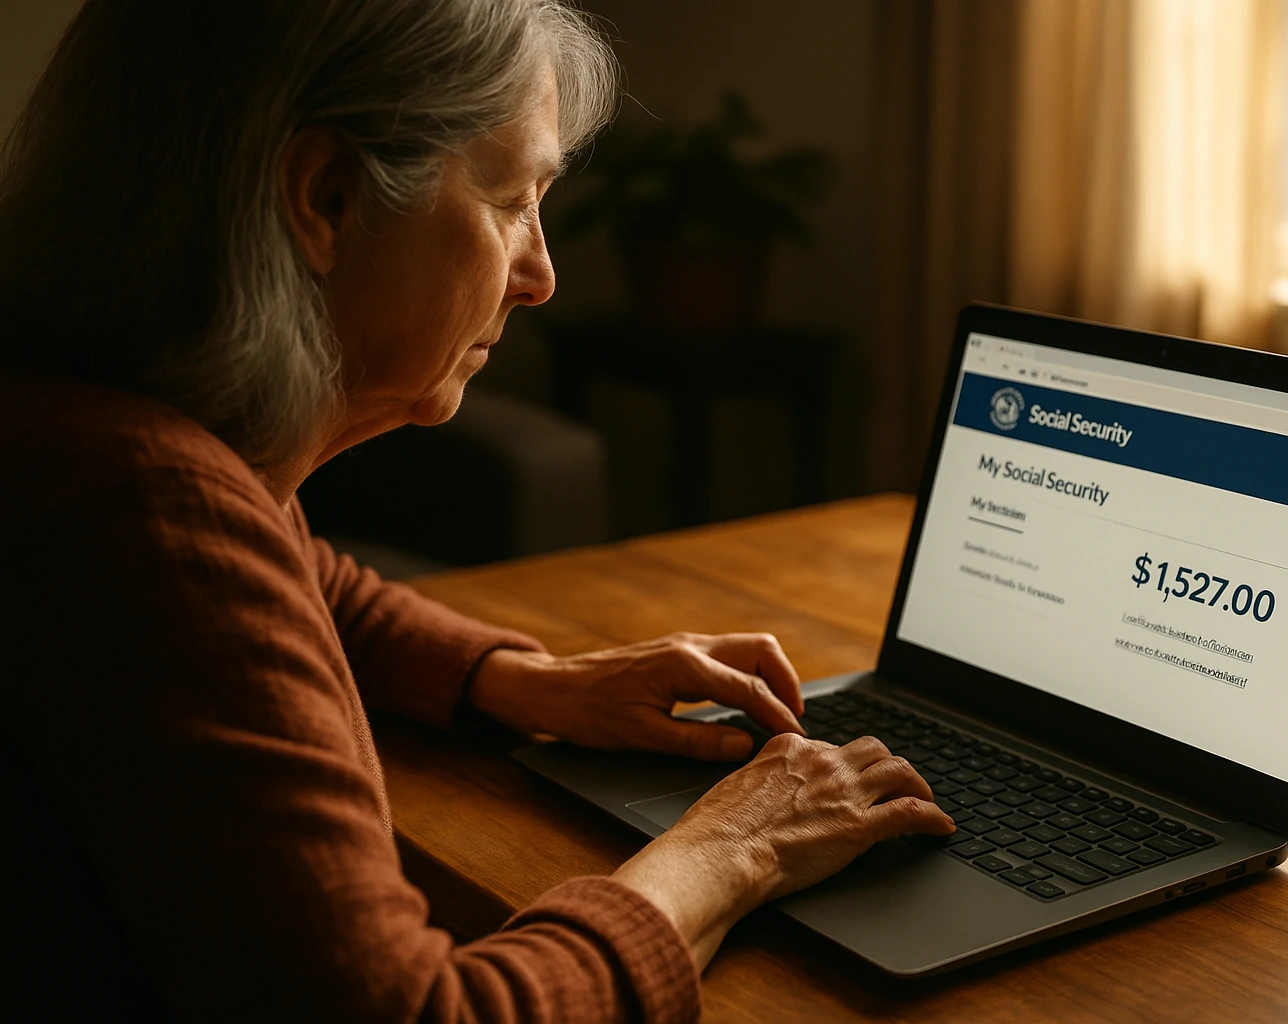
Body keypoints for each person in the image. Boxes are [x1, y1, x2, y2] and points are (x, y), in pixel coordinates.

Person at [0, 1, 954, 1021]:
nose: (542, 276)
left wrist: (524, 680)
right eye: (509, 201)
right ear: (323, 198)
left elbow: (297, 574)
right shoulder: (151, 515)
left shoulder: (102, 433)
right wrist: (736, 844)